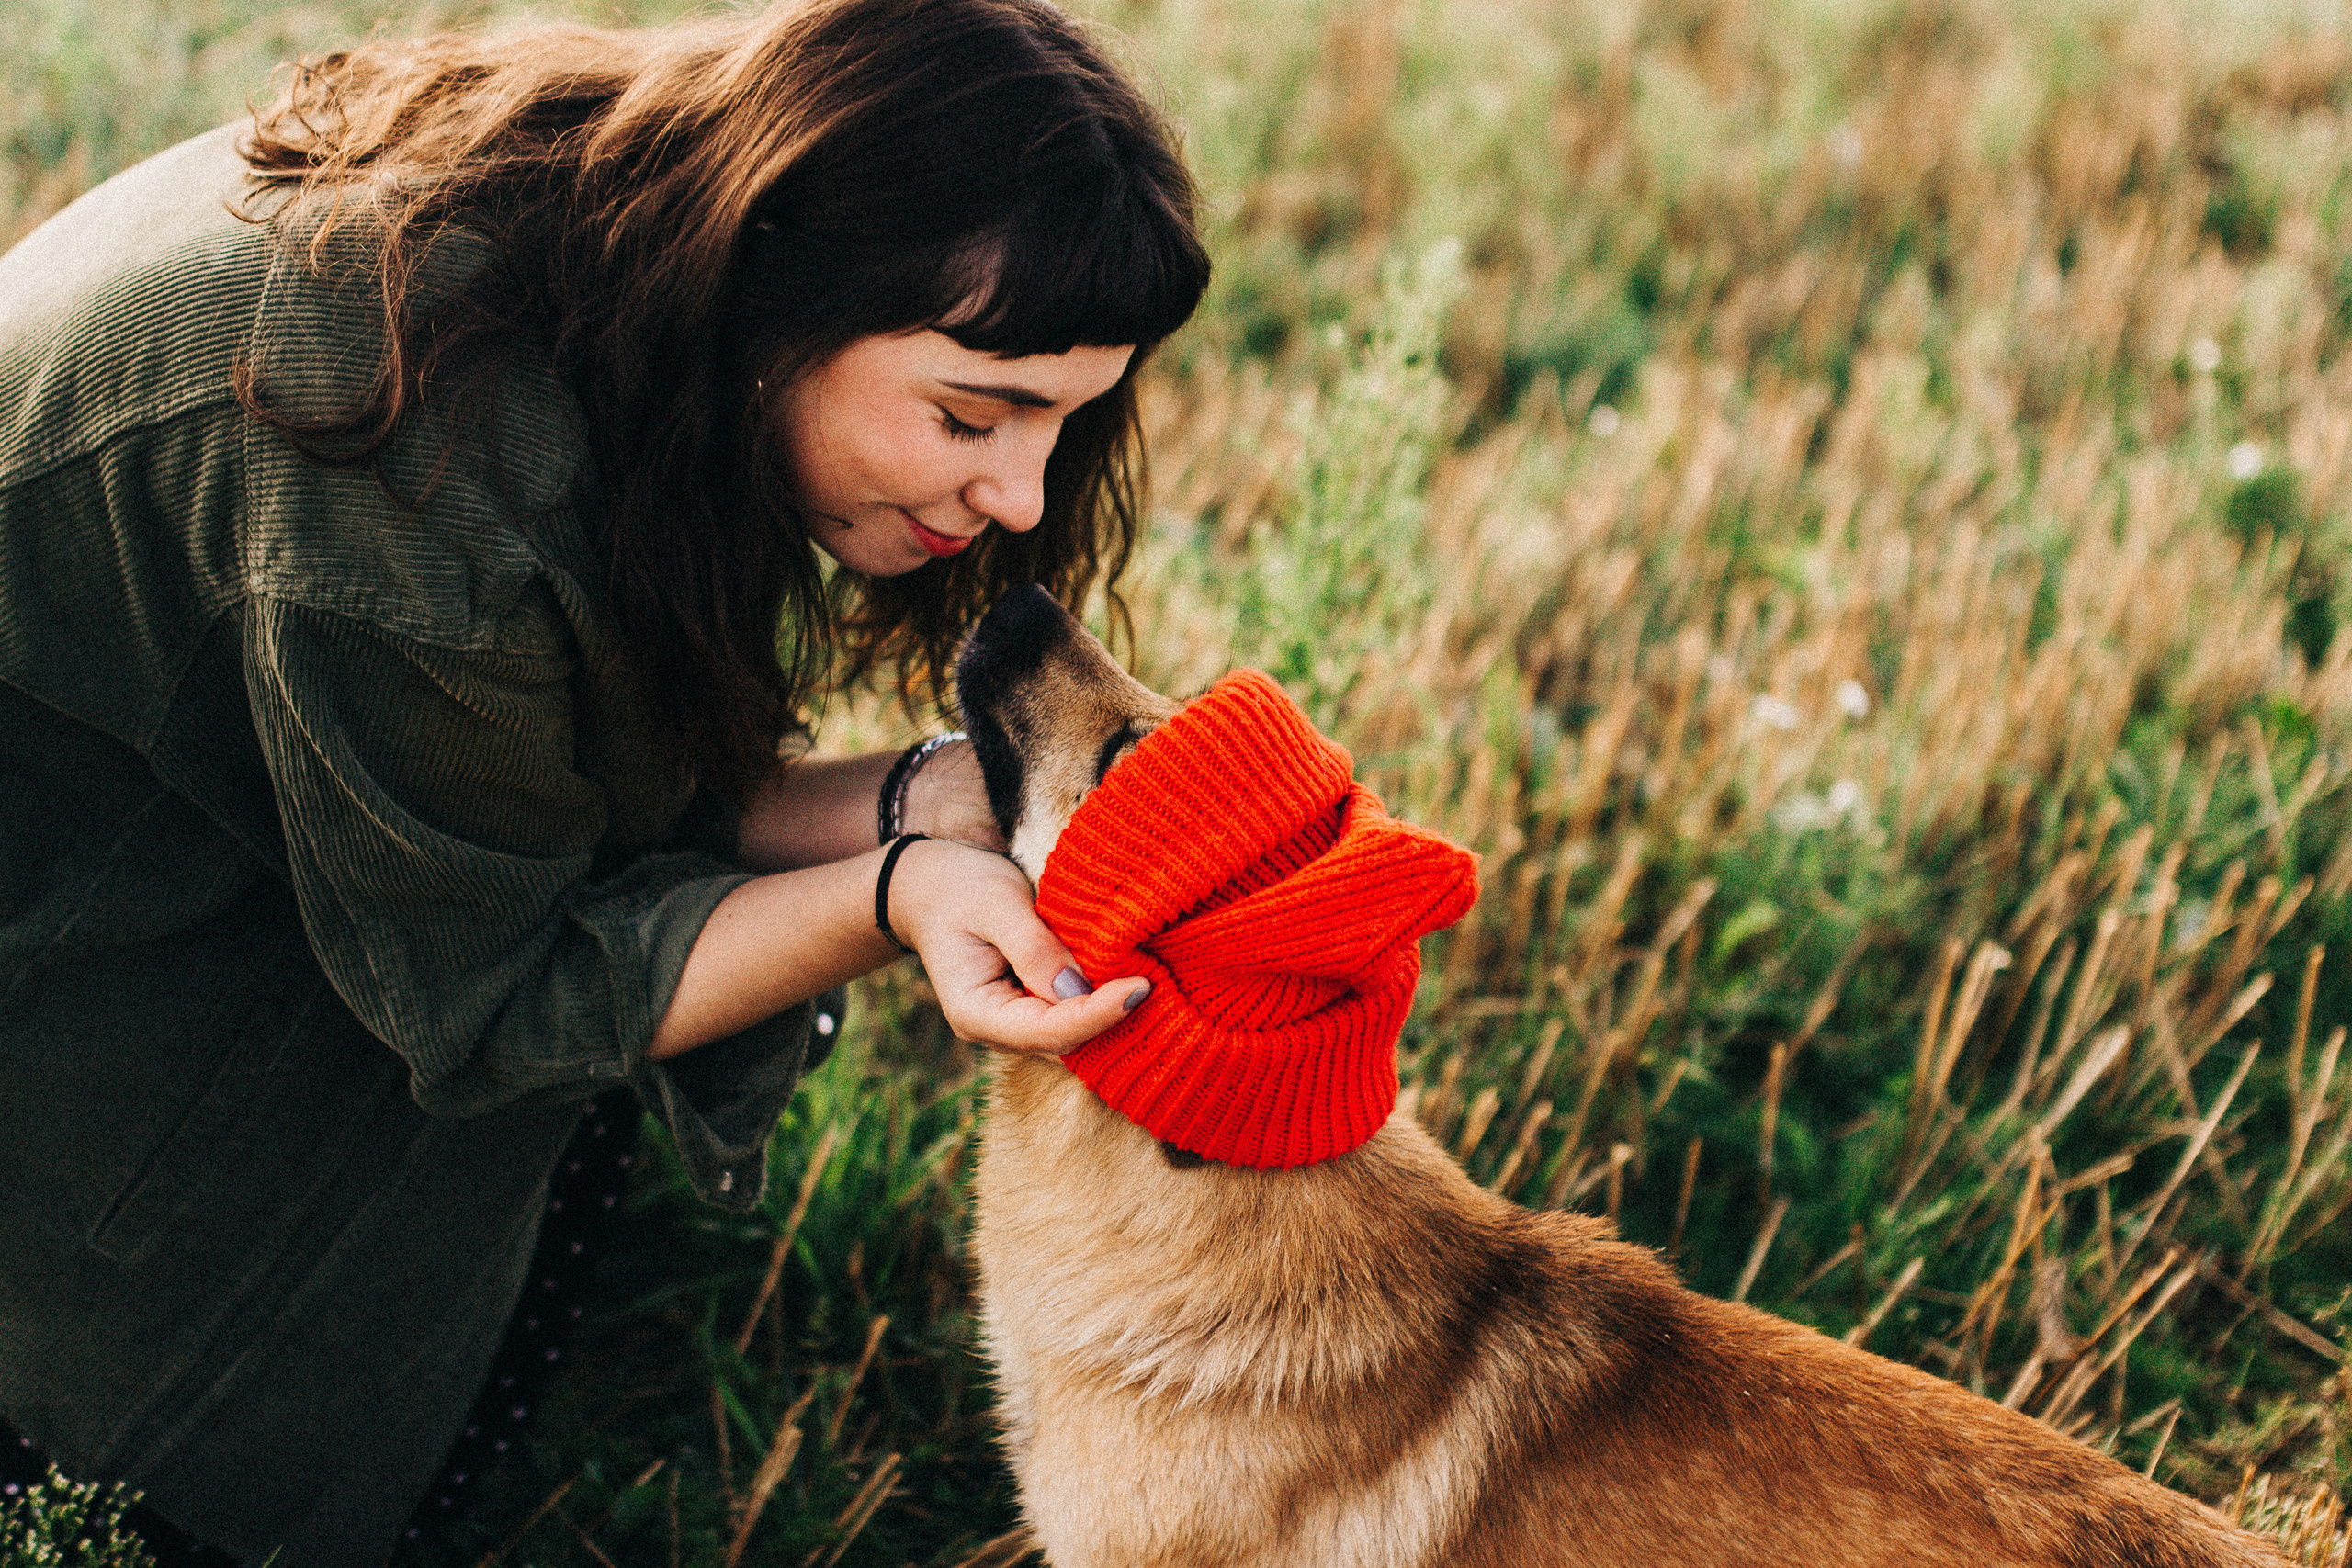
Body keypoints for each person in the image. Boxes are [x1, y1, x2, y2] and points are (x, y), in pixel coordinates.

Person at [0, 0, 1209, 1559]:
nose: (1021, 490)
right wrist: (900, 895)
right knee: (204, 1382)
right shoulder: (407, 466)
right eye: (973, 414)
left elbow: (593, 770)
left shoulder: (629, 232)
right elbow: (496, 998)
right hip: (73, 899)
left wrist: (939, 802)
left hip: (178, 761)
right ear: (780, 274)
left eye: (1069, 420)